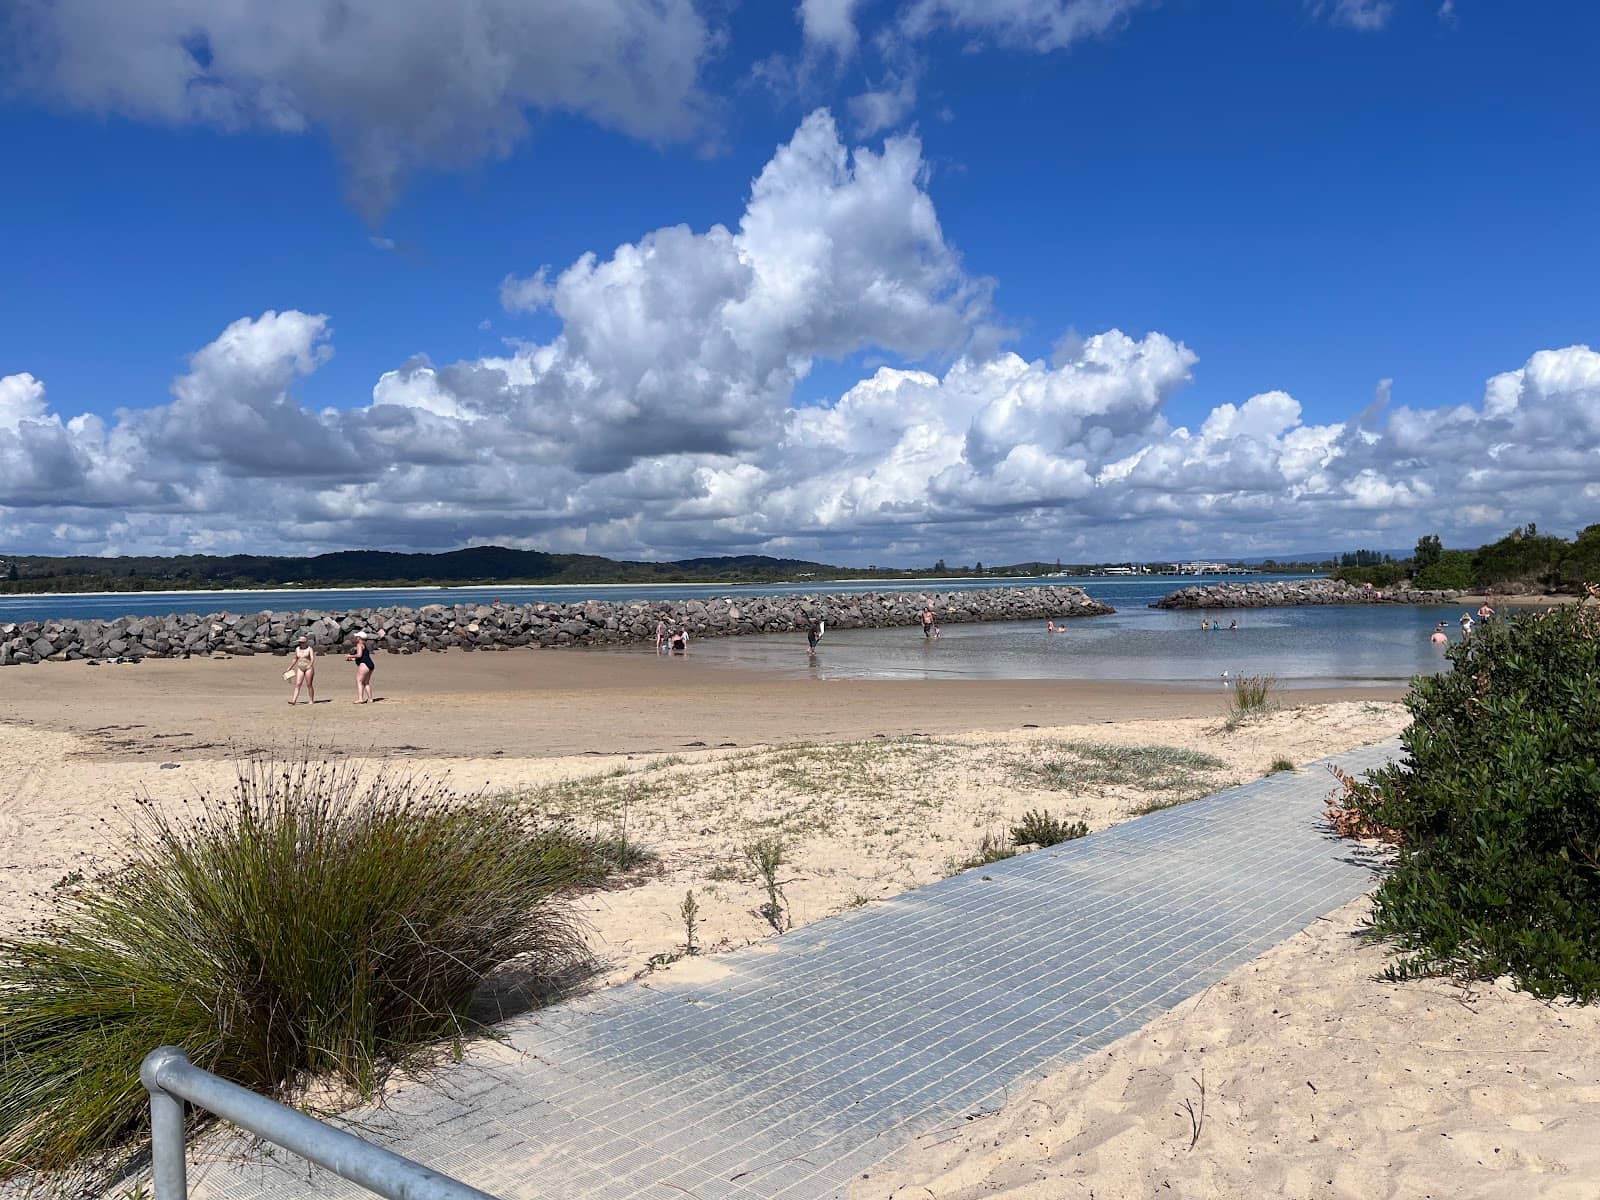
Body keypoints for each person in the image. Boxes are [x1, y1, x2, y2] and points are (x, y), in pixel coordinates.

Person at [346, 631, 376, 703]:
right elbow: (363, 657)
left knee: (359, 681)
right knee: (366, 682)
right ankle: (370, 698)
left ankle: (360, 699)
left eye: (357, 637)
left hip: (364, 665)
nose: (356, 638)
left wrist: (350, 655)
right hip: (370, 664)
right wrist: (352, 659)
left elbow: (359, 655)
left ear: (359, 638)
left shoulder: (359, 644)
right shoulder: (364, 645)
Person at [288, 634, 315, 705]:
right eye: (300, 642)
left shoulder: (309, 649)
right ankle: (294, 700)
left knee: (309, 684)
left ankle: (311, 700)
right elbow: (295, 658)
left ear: (305, 642)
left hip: (308, 668)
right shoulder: (297, 649)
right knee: (298, 684)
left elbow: (312, 658)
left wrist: (310, 665)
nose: (301, 643)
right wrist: (290, 667)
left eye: (302, 642)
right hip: (300, 667)